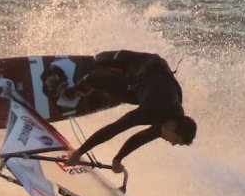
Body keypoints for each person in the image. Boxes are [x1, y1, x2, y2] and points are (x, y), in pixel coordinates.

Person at [44, 50, 197, 173]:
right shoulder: (153, 110)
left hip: (138, 90)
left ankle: (106, 84)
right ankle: (68, 92)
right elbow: (115, 128)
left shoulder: (171, 120)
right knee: (99, 61)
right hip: (145, 64)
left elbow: (140, 138)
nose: (172, 143)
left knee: (117, 87)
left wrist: (118, 159)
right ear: (173, 127)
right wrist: (79, 152)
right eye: (176, 141)